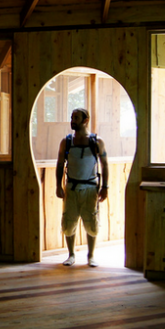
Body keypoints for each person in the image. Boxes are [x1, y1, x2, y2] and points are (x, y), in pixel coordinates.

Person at [56, 108, 109, 267]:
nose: (72, 120)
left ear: (86, 120)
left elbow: (105, 165)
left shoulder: (97, 142)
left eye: (76, 118)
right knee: (68, 222)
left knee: (91, 221)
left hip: (90, 188)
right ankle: (71, 254)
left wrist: (105, 186)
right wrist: (58, 186)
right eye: (72, 117)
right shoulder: (66, 142)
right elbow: (59, 164)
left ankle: (91, 256)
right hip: (71, 187)